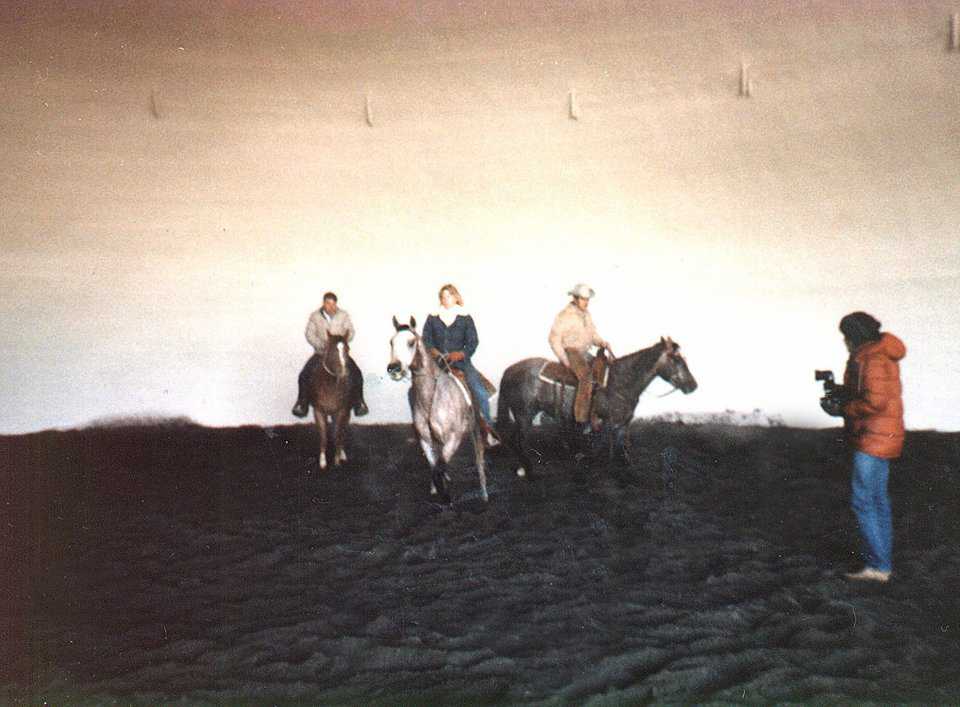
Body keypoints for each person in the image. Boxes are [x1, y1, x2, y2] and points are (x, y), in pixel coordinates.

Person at [835, 311, 906, 583]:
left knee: (864, 501)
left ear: (854, 335)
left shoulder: (872, 358)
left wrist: (845, 407)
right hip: (884, 435)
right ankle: (881, 563)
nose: (844, 341)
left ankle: (877, 566)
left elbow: (874, 403)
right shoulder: (881, 353)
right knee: (877, 500)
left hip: (872, 437)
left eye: (846, 335)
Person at [422, 284, 500, 448]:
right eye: (443, 297)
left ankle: (488, 430)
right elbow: (426, 340)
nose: (446, 299)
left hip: (461, 362)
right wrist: (434, 352)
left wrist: (461, 354)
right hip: (436, 363)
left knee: (480, 391)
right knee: (420, 387)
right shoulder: (432, 318)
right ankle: (422, 428)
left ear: (456, 297)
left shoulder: (465, 318)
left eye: (449, 296)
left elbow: (473, 342)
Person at [291, 292, 369, 418]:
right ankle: (302, 404)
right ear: (324, 303)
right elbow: (309, 334)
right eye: (328, 303)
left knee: (357, 373)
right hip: (321, 353)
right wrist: (322, 344)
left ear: (336, 304)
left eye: (333, 304)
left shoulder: (343, 315)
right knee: (304, 375)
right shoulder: (315, 316)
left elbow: (351, 331)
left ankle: (359, 403)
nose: (331, 307)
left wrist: (341, 343)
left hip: (339, 353)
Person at [548, 284, 611, 425]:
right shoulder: (565, 315)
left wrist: (601, 342)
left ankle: (596, 413)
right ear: (575, 299)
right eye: (583, 299)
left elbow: (592, 335)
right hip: (571, 352)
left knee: (603, 369)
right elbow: (554, 338)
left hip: (584, 353)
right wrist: (564, 359)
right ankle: (581, 419)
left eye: (587, 299)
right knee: (586, 376)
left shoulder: (586, 315)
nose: (586, 302)